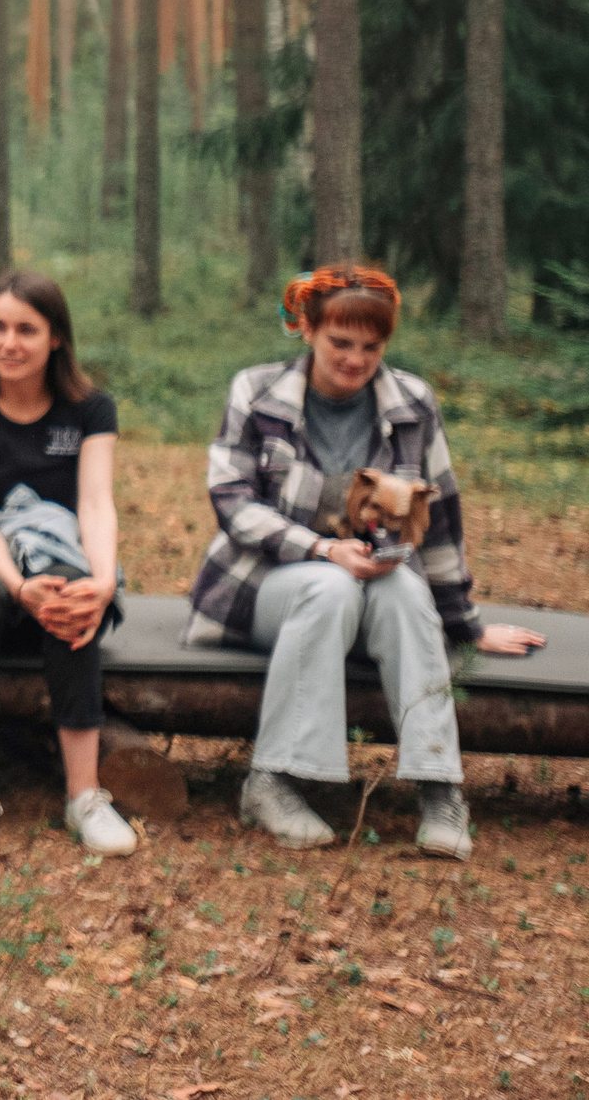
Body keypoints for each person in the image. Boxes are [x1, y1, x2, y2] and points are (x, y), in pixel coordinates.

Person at [186, 263, 545, 859]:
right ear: (307, 329)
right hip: (267, 584)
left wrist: (464, 623)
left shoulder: (413, 403)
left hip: (372, 587)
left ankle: (439, 786)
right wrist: (325, 550)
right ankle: (272, 781)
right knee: (329, 588)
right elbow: (232, 501)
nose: (355, 359)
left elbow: (440, 518)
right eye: (340, 343)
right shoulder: (257, 391)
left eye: (371, 347)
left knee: (405, 590)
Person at [0, 271, 134, 855]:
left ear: (56, 338)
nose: (9, 343)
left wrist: (100, 582)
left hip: (60, 565)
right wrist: (19, 586)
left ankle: (84, 796)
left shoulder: (90, 410)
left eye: (26, 329)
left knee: (74, 595)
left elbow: (96, 503)